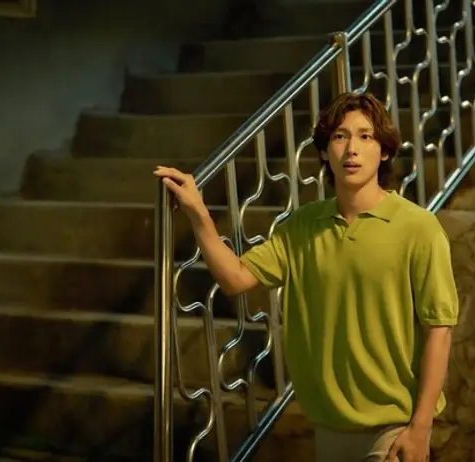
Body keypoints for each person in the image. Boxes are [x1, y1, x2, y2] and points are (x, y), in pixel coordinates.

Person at [154, 92, 459, 462]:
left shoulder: (419, 228)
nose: (352, 149)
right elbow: (236, 278)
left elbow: (439, 330)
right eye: (340, 136)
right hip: (328, 428)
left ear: (384, 151)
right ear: (326, 151)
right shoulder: (302, 226)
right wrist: (198, 213)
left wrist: (421, 427)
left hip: (393, 428)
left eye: (365, 136)